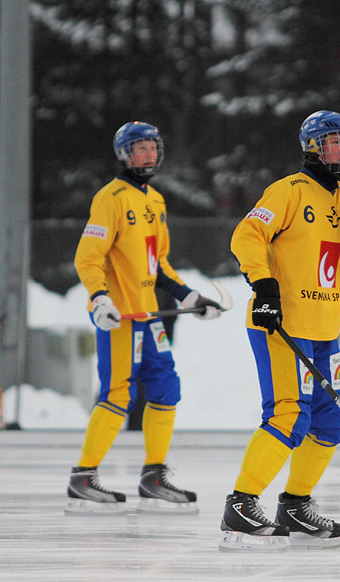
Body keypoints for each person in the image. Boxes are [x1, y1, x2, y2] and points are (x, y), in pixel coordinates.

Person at [219, 110, 340, 551]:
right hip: (283, 326)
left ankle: (295, 505)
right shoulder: (289, 191)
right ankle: (240, 505)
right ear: (313, 146)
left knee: (333, 420)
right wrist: (263, 285)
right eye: (334, 141)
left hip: (325, 331)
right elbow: (246, 235)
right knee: (287, 413)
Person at [68, 121, 223, 515]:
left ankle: (154, 477)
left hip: (149, 314)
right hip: (118, 317)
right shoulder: (111, 197)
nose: (147, 155)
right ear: (123, 155)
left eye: (152, 148)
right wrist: (100, 298)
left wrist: (189, 297)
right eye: (138, 149)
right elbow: (88, 257)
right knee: (118, 395)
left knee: (166, 388)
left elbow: (159, 265)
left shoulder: (155, 200)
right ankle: (83, 478)